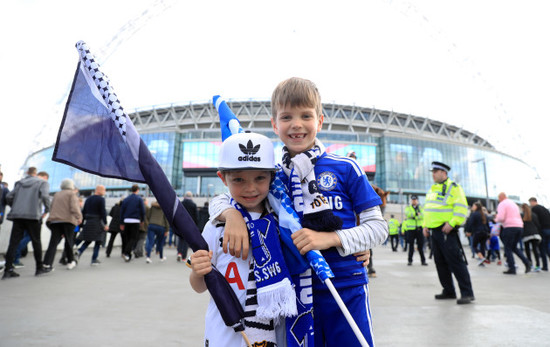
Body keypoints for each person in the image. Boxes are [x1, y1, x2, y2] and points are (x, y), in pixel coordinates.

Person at [210, 77, 388, 346]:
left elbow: (378, 229)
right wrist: (231, 215)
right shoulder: (273, 175)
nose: (296, 124)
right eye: (286, 117)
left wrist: (333, 239)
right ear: (274, 124)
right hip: (294, 293)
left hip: (344, 286)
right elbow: (226, 197)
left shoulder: (347, 168)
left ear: (320, 121)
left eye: (306, 115)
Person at [190, 132, 284, 346]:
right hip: (224, 335)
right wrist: (198, 270)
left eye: (260, 178)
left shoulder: (282, 223)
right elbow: (198, 286)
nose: (250, 188)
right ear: (223, 178)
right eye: (238, 179)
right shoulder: (215, 226)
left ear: (272, 176)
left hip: (275, 335)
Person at [422, 161, 474, 305]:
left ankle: (467, 293)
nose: (433, 174)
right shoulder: (432, 189)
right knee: (440, 262)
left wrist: (452, 223)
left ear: (444, 173)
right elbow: (428, 209)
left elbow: (462, 208)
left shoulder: (454, 188)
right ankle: (449, 290)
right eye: (432, 172)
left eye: (435, 171)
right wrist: (425, 225)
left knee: (456, 262)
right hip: (434, 232)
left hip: (446, 231)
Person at [2, 168, 51, 279]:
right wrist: (47, 210)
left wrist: (15, 207)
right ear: (36, 174)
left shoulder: (20, 183)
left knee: (13, 243)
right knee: (36, 241)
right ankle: (39, 268)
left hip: (18, 216)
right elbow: (45, 196)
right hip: (33, 216)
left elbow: (8, 196)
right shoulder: (43, 182)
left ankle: (8, 270)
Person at [43, 178, 82, 270]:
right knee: (69, 242)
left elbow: (52, 207)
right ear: (71, 185)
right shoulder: (72, 194)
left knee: (53, 243)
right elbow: (74, 208)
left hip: (55, 221)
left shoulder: (57, 194)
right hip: (68, 221)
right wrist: (79, 217)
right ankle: (70, 261)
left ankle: (47, 263)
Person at [495, 192, 531, 274]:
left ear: (500, 197)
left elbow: (501, 217)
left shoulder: (502, 204)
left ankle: (512, 268)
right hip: (519, 227)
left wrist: (495, 219)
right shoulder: (513, 204)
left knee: (507, 248)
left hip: (509, 227)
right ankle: (527, 262)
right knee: (514, 247)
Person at [77, 185, 108, 265]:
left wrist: (82, 223)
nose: (105, 192)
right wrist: (105, 223)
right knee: (98, 241)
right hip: (97, 222)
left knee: (88, 240)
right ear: (99, 190)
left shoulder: (88, 199)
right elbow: (103, 212)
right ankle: (94, 259)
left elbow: (83, 212)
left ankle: (79, 251)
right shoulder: (101, 199)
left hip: (88, 222)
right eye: (104, 190)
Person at [120, 184, 146, 262]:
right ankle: (126, 252)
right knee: (133, 238)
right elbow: (143, 210)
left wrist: (121, 222)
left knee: (128, 238)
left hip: (126, 220)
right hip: (135, 220)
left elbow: (122, 211)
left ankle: (128, 256)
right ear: (137, 190)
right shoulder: (139, 199)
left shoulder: (126, 199)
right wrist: (142, 220)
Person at [464, 201, 490, 266]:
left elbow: (470, 223)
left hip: (477, 232)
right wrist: (488, 232)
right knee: (482, 246)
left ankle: (481, 258)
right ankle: (482, 261)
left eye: (473, 206)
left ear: (476, 207)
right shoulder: (484, 214)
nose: (472, 207)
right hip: (485, 233)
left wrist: (468, 231)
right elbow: (487, 225)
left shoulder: (474, 214)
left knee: (474, 246)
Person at [404, 195, 427, 266]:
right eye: (413, 200)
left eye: (415, 200)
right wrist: (416, 214)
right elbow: (408, 214)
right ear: (411, 200)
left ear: (417, 200)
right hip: (411, 229)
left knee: (420, 246)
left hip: (419, 229)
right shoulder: (408, 207)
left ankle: (423, 261)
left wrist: (414, 216)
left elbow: (423, 215)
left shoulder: (421, 207)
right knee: (411, 246)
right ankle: (410, 260)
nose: (414, 201)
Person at [529, 197, 550, 271]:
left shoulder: (535, 209)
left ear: (532, 201)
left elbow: (535, 221)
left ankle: (545, 266)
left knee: (542, 248)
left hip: (542, 230)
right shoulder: (544, 208)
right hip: (549, 229)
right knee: (548, 248)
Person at [521, 203, 542, 272]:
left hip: (526, 234)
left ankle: (530, 264)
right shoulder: (534, 215)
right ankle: (538, 265)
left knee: (527, 251)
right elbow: (538, 225)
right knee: (535, 250)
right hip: (535, 234)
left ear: (523, 208)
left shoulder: (522, 215)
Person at [178, 191, 197, 261]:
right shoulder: (193, 205)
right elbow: (196, 216)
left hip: (181, 224)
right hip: (189, 225)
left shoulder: (181, 203)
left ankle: (179, 253)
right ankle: (183, 257)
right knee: (186, 241)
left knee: (180, 240)